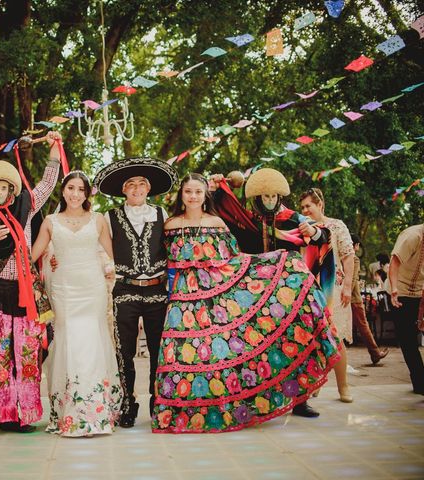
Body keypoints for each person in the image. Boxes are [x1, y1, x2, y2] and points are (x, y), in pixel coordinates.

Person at [152, 173, 340, 433]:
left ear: (205, 195)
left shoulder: (216, 222)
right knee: (180, 354)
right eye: (188, 192)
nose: (193, 196)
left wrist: (279, 265)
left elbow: (233, 257)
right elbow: (162, 259)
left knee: (218, 353)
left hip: (214, 294)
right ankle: (181, 413)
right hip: (182, 296)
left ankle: (221, 410)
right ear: (181, 195)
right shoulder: (170, 225)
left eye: (198, 191)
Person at [0, 132, 62, 433]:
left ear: (13, 188)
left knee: (28, 351)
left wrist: (55, 149)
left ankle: (24, 413)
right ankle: (4, 413)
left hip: (26, 291)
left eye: (6, 186)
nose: (2, 191)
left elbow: (46, 185)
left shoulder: (24, 207)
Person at [210, 169, 330, 417]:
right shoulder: (247, 220)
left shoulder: (294, 218)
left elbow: (324, 235)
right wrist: (215, 188)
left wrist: (314, 232)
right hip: (257, 296)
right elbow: (220, 212)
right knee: (257, 348)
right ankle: (258, 400)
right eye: (264, 196)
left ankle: (300, 400)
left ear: (280, 195)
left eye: (273, 195)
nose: (269, 200)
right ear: (255, 197)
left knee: (297, 344)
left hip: (292, 296)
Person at [30, 171, 122, 436]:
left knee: (91, 340)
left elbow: (113, 253)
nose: (75, 194)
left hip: (92, 288)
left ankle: (95, 411)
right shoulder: (50, 221)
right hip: (63, 290)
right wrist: (49, 257)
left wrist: (112, 269)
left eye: (81, 189)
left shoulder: (98, 220)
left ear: (87, 193)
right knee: (67, 342)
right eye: (71, 188)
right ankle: (66, 411)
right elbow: (33, 255)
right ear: (64, 190)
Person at [93, 157, 178, 428]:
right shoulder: (109, 217)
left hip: (157, 291)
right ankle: (128, 403)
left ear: (149, 188)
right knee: (124, 350)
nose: (137, 189)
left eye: (142, 184)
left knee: (157, 349)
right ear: (124, 190)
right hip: (125, 289)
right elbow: (96, 246)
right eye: (131, 185)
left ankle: (158, 402)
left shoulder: (162, 214)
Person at [299, 188, 354, 403]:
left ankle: (344, 387)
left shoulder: (337, 226)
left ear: (319, 204)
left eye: (308, 206)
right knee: (312, 340)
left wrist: (348, 286)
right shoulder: (302, 228)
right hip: (310, 291)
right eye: (302, 207)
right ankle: (317, 383)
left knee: (335, 337)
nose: (305, 210)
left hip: (335, 289)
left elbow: (349, 257)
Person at [388, 223, 424, 394]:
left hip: (419, 291)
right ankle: (420, 383)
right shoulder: (413, 236)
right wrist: (394, 290)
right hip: (400, 291)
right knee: (407, 339)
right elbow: (394, 262)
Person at [349, 234, 389, 364]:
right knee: (364, 325)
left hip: (344, 297)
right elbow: (353, 279)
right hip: (353, 298)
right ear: (355, 245)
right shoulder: (354, 259)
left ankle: (375, 353)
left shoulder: (339, 258)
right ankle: (375, 353)